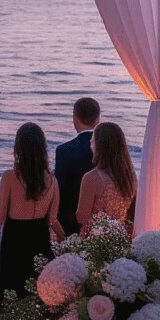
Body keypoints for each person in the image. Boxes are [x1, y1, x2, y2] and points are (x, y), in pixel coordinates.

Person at [0, 123, 64, 307]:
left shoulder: (9, 177)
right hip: (40, 238)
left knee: (11, 290)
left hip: (14, 240)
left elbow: (0, 218)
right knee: (36, 292)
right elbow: (52, 219)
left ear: (18, 148)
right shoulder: (52, 180)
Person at [76, 121, 137, 238]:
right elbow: (132, 215)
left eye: (92, 141)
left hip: (93, 240)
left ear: (99, 146)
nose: (90, 144)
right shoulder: (131, 179)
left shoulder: (91, 178)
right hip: (119, 239)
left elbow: (82, 217)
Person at [54, 96, 101, 236]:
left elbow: (60, 190)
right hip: (102, 225)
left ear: (75, 119)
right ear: (98, 120)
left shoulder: (64, 150)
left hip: (70, 223)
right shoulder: (107, 150)